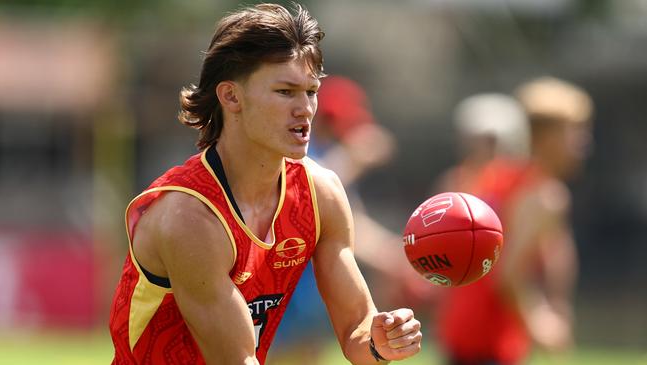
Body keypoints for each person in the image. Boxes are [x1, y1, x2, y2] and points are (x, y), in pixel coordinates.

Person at [108, 4, 422, 365]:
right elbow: (238, 359)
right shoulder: (190, 217)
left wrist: (380, 343)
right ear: (231, 97)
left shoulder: (322, 192)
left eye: (311, 91)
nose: (305, 108)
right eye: (286, 92)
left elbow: (357, 330)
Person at [434, 77, 593, 365]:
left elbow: (554, 250)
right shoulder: (543, 195)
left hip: (457, 327)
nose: (584, 144)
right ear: (546, 137)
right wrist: (540, 321)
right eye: (576, 132)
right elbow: (508, 276)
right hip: (493, 339)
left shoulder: (492, 177)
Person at [269, 76, 403, 364]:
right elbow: (305, 190)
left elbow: (351, 225)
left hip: (312, 292)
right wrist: (353, 158)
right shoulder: (303, 153)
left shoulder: (331, 158)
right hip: (283, 285)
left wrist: (393, 256)